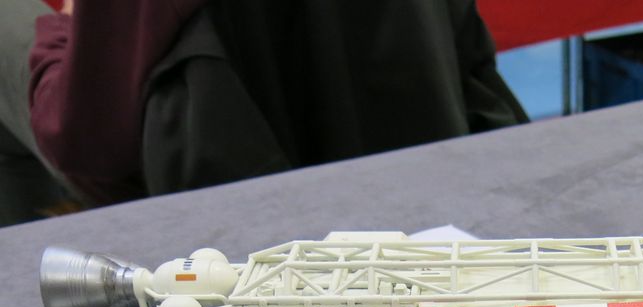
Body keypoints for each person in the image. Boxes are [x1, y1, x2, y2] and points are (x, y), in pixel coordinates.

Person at [0, 0, 528, 225]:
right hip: (424, 179)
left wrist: (65, 31)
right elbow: (473, 66)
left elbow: (84, 140)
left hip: (233, 229)